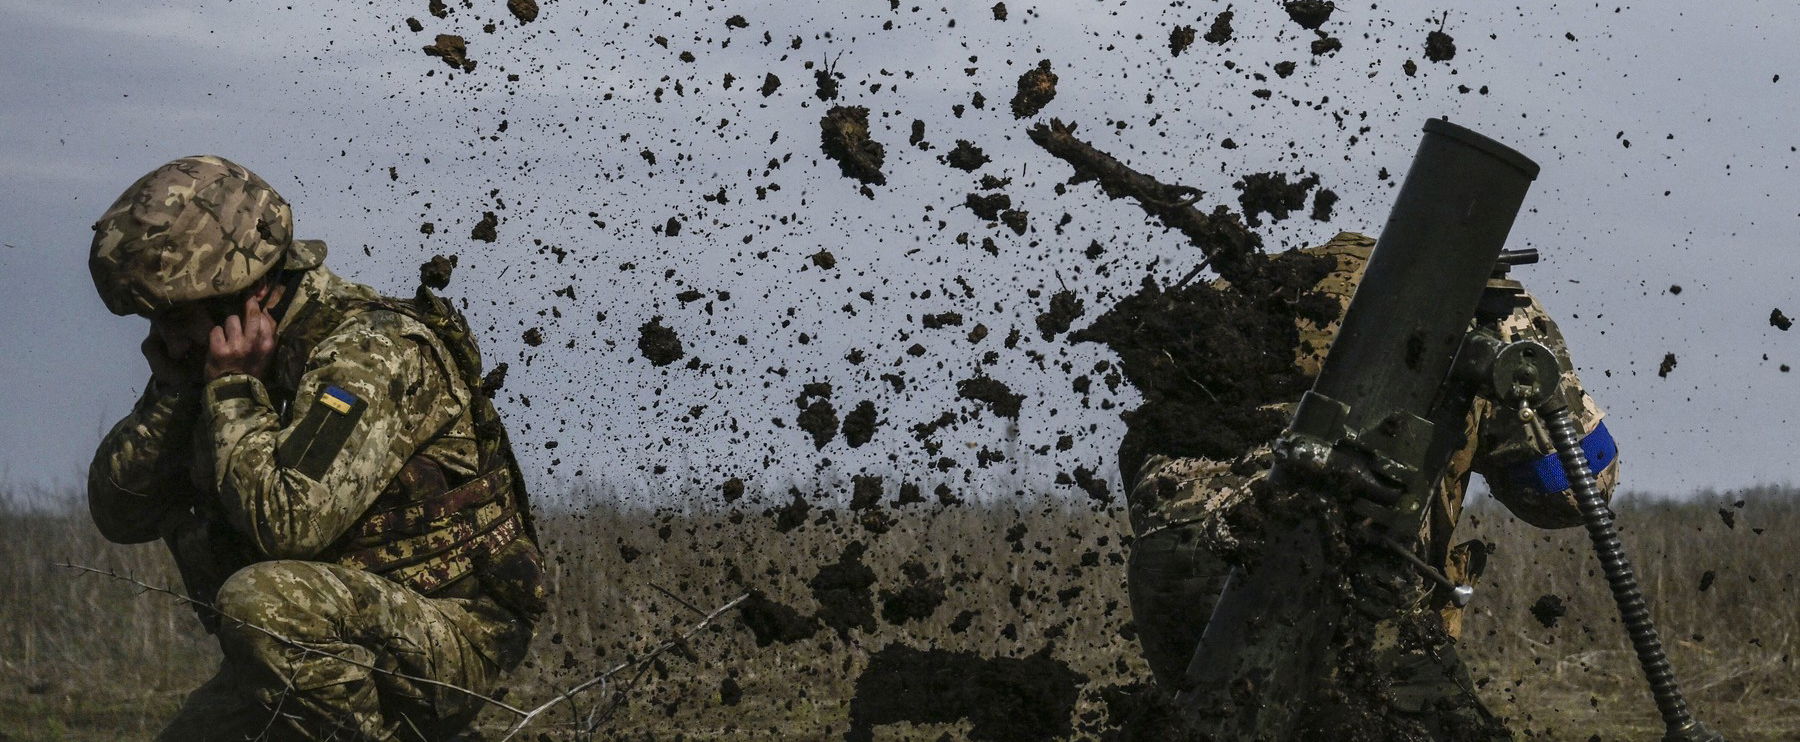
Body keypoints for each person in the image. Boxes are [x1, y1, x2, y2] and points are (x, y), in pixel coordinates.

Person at [86, 155, 547, 740]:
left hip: (449, 635)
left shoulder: (372, 351)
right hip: (326, 638)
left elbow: (289, 524)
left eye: (174, 317)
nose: (161, 338)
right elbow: (120, 514)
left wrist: (231, 391)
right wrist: (175, 395)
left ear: (244, 293)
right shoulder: (214, 359)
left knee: (262, 603)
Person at [1123, 231, 1618, 732]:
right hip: (1328, 562)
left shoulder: (1257, 289)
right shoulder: (1478, 301)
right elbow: (1572, 489)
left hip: (1170, 564)